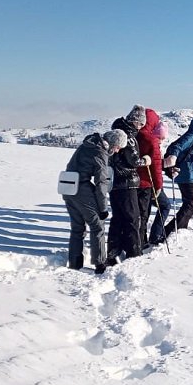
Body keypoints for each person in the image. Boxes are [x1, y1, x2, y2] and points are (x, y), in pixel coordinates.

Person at [64, 131, 119, 274]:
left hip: (68, 187)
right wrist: (103, 208)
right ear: (113, 144)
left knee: (77, 227)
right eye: (118, 147)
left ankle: (74, 262)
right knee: (97, 226)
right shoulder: (100, 152)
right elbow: (101, 183)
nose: (118, 150)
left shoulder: (87, 144)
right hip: (82, 188)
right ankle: (100, 264)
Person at [107, 106, 152, 264]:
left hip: (114, 182)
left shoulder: (115, 132)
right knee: (133, 218)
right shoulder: (129, 137)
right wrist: (145, 161)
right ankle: (133, 254)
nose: (141, 128)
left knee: (117, 218)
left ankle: (112, 253)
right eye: (140, 125)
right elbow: (133, 160)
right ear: (135, 122)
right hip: (127, 182)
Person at [162, 113, 193, 237]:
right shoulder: (191, 136)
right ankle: (172, 230)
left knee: (189, 204)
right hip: (186, 175)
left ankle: (177, 228)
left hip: (188, 174)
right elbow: (177, 147)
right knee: (191, 204)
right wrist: (172, 157)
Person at [136, 107, 167, 246]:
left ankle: (141, 240)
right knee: (146, 213)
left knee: (140, 214)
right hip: (147, 182)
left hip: (133, 181)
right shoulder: (150, 139)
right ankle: (145, 240)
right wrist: (158, 186)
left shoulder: (135, 135)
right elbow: (155, 166)